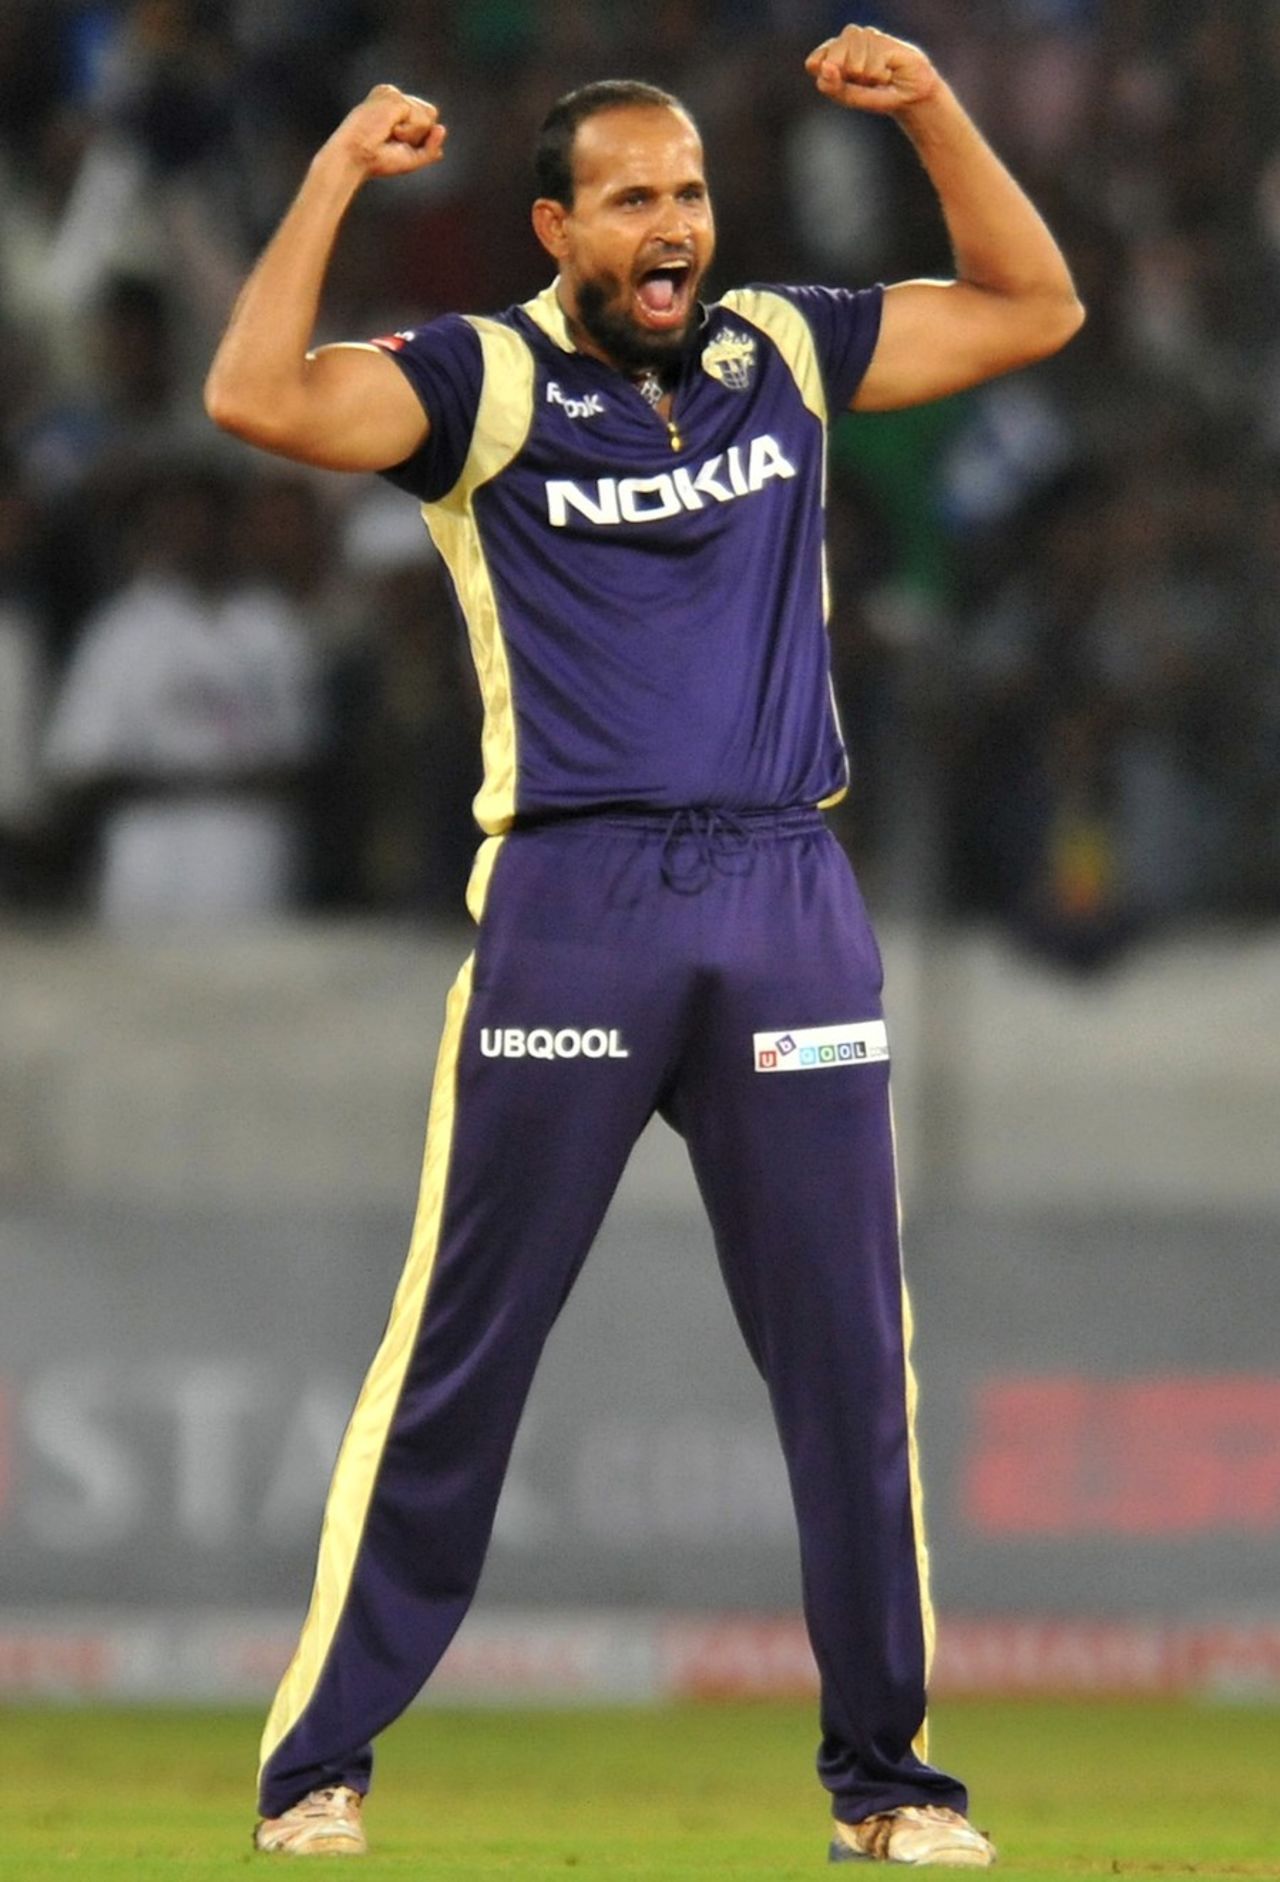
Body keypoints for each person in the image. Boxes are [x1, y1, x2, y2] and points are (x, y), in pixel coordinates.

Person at [205, 22, 1082, 1863]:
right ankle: (319, 1770)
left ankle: (892, 1787)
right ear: (557, 228)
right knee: (463, 1355)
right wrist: (336, 177)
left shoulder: (781, 351)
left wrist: (933, 111)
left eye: (688, 195)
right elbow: (258, 396)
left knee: (851, 1365)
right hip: (574, 901)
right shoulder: (482, 379)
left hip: (786, 895)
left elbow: (1033, 308)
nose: (672, 226)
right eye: (629, 202)